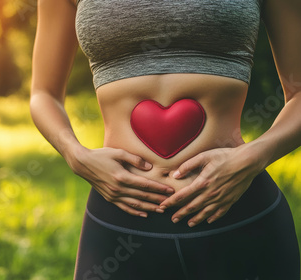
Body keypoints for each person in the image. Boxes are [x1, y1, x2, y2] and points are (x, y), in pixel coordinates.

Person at [29, 0, 301, 279]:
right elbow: (43, 94)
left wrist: (255, 156)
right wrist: (76, 155)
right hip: (119, 222)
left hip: (239, 215)